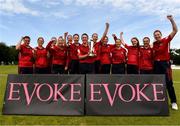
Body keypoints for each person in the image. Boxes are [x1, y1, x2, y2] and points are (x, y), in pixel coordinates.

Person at [153, 15, 178, 110]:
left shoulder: (166, 40)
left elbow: (175, 30)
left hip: (165, 64)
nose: (157, 36)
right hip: (156, 65)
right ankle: (159, 101)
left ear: (161, 34)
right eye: (155, 35)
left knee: (168, 83)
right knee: (157, 84)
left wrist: (171, 20)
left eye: (158, 34)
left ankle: (173, 102)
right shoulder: (154, 44)